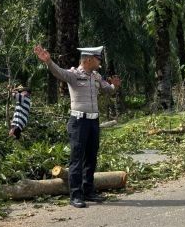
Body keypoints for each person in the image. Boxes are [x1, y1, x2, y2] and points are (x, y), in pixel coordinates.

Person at [34, 44, 121, 208]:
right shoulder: (74, 75)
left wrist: (115, 86)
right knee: (77, 159)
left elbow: (108, 90)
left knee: (91, 157)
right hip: (79, 122)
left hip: (93, 122)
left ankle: (89, 191)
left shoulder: (96, 76)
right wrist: (48, 62)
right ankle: (76, 195)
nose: (100, 61)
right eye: (98, 59)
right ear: (88, 60)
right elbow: (59, 72)